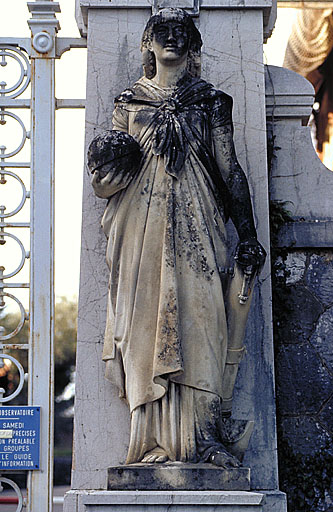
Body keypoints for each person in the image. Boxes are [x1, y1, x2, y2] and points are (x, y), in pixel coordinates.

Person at [90, 8, 265, 468]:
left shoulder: (211, 102)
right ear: (147, 42)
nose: (172, 38)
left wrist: (247, 232)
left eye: (182, 32)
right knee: (147, 326)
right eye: (162, 32)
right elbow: (107, 177)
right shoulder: (129, 103)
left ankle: (204, 437)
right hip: (140, 231)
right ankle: (150, 441)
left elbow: (229, 169)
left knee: (203, 323)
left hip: (198, 225)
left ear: (194, 46)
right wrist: (108, 158)